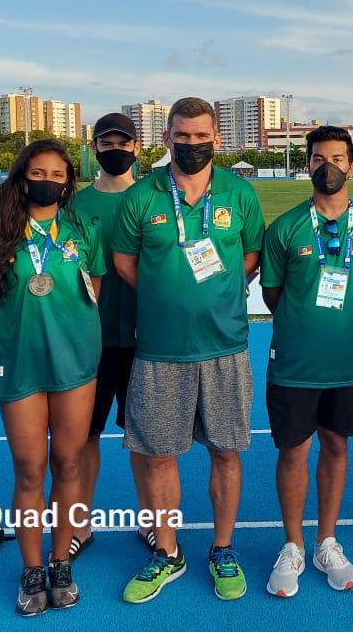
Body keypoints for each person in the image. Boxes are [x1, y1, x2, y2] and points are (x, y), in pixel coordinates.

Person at [113, 97, 265, 603]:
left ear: (217, 139)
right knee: (159, 456)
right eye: (183, 135)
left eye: (202, 136)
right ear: (167, 138)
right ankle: (168, 553)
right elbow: (123, 262)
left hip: (226, 347)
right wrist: (168, 298)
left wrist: (216, 296)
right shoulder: (142, 195)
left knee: (226, 451)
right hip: (159, 350)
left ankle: (222, 548)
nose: (192, 144)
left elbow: (250, 255)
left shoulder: (240, 193)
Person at [0, 139, 105, 616]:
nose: (48, 181)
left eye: (58, 175)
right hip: (20, 363)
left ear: (68, 183)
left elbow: (94, 291)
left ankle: (60, 561)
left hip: (75, 365)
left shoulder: (84, 228)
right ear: (22, 176)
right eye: (38, 173)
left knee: (68, 464)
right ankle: (31, 570)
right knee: (29, 469)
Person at [260, 126, 353, 597]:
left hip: (351, 362)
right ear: (308, 165)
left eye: (338, 158)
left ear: (352, 166)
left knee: (336, 446)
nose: (328, 166)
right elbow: (273, 294)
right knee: (293, 451)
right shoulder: (286, 228)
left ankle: (326, 541)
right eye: (319, 158)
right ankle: (293, 545)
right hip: (296, 363)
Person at [73, 113, 148, 557]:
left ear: (137, 147)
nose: (115, 150)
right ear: (95, 147)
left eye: (123, 143)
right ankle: (79, 523)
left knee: (147, 437)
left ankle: (152, 521)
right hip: (89, 339)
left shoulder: (155, 199)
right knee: (85, 436)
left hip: (146, 338)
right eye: (106, 143)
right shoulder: (75, 206)